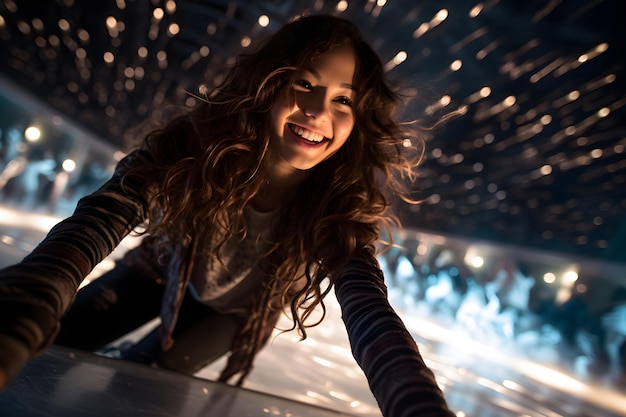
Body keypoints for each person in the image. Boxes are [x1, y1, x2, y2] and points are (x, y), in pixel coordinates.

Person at [0, 15, 454, 416]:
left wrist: (416, 403)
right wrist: (26, 307)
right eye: (305, 84)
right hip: (161, 271)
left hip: (234, 313)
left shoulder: (335, 210)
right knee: (59, 338)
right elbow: (94, 223)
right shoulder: (193, 148)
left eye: (343, 101)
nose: (317, 112)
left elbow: (371, 315)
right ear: (268, 82)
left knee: (141, 385)